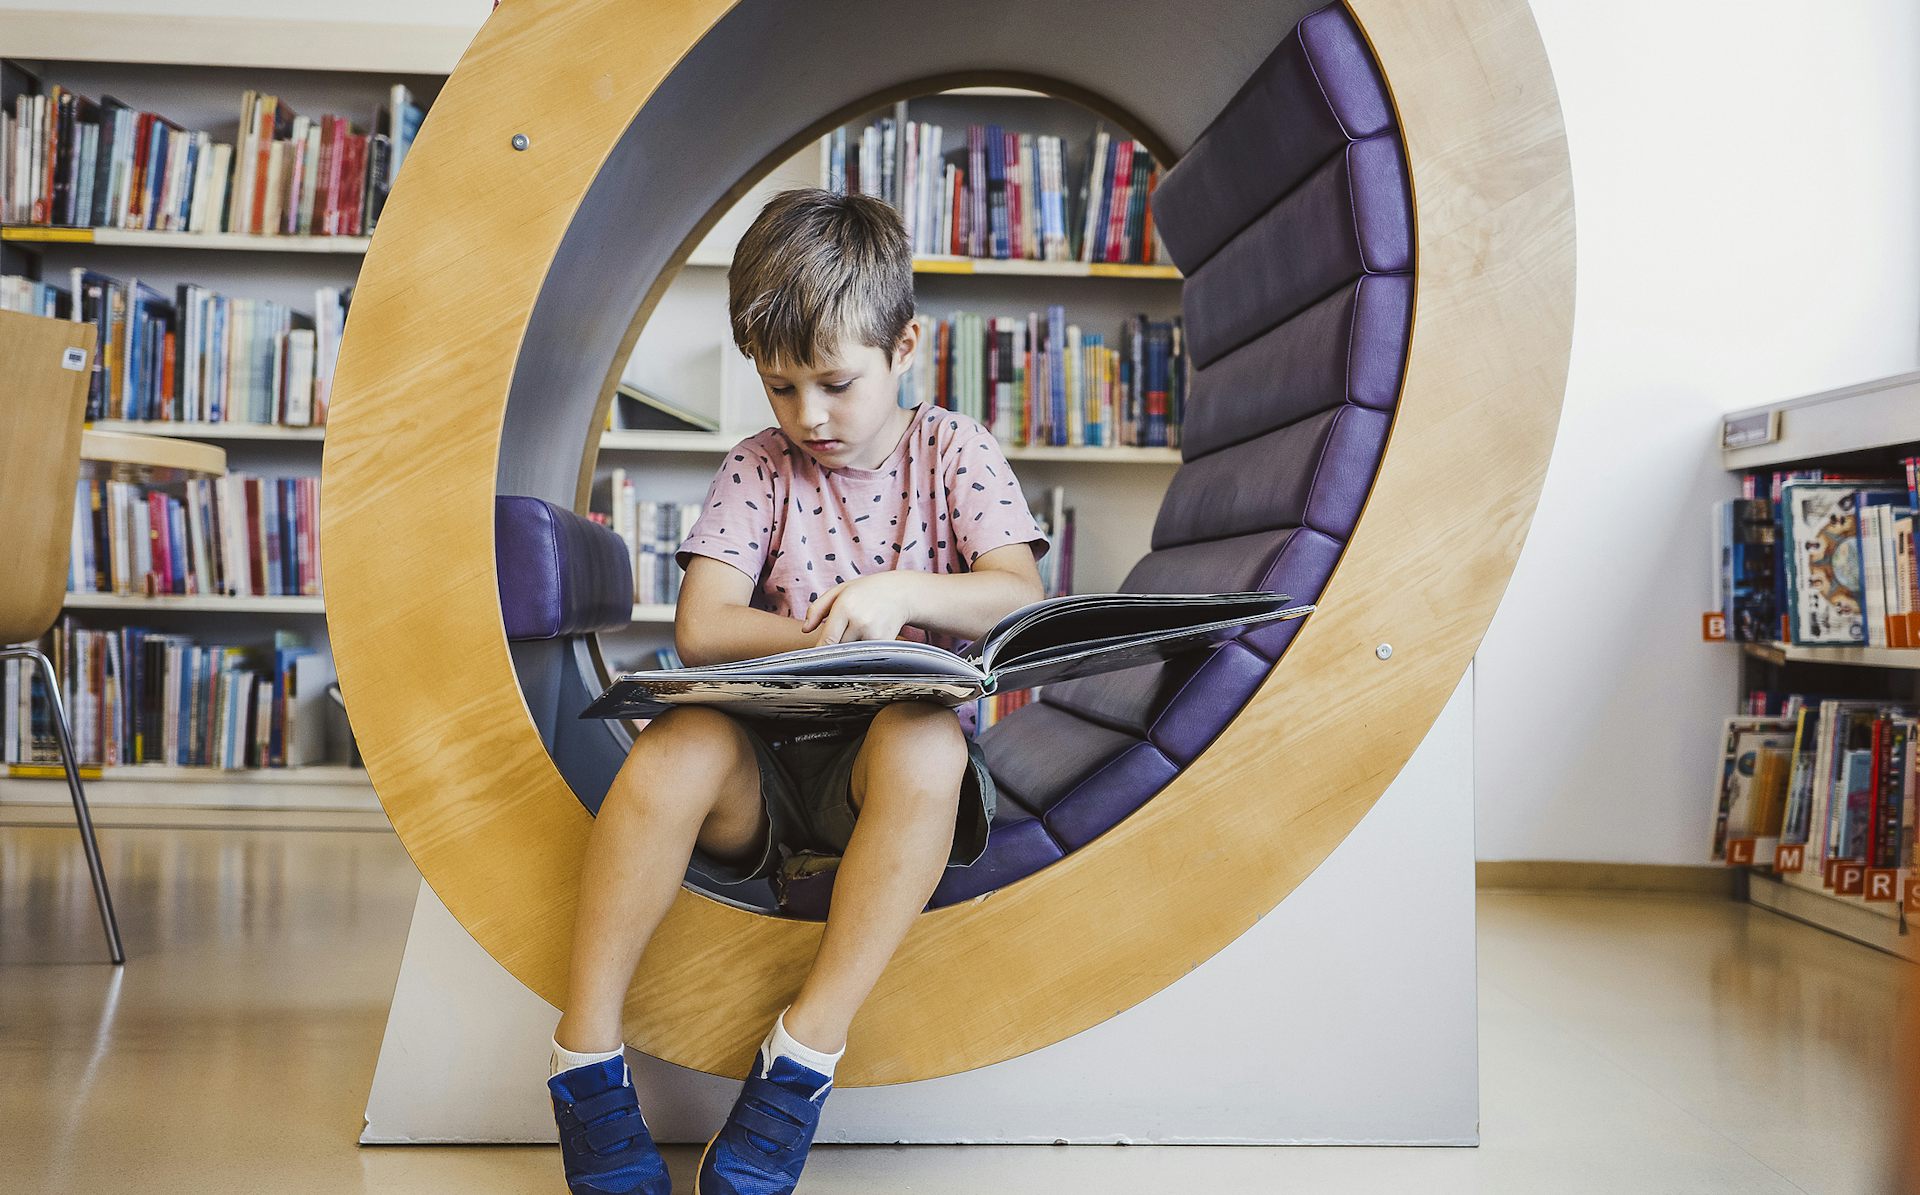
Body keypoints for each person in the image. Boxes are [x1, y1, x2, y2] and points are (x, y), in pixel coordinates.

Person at [546, 186, 1051, 1195]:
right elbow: (704, 623)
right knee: (677, 743)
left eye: (833, 382)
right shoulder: (759, 468)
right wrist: (819, 632)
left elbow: (1014, 593)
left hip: (886, 780)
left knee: (927, 743)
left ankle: (801, 1058)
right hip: (764, 775)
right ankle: (584, 1058)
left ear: (905, 346)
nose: (809, 416)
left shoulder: (955, 452)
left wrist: (902, 594)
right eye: (780, 388)